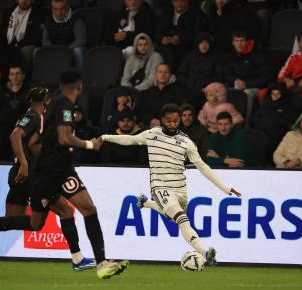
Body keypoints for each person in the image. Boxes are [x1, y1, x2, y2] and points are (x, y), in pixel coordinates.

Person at [0, 88, 94, 272]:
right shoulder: (34, 116)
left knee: (10, 220)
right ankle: (78, 259)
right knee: (64, 212)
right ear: (44, 101)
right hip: (32, 177)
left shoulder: (33, 117)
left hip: (19, 177)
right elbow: (14, 135)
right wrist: (26, 163)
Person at [94, 103, 241, 266]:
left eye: (176, 120)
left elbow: (202, 166)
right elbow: (130, 140)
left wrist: (225, 187)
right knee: (182, 219)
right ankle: (205, 252)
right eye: (169, 120)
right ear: (162, 120)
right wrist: (105, 137)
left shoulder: (186, 142)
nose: (172, 123)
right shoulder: (152, 134)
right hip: (160, 187)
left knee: (176, 218)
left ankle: (146, 203)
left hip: (180, 189)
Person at [19, 70, 129, 278]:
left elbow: (33, 142)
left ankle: (101, 263)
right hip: (49, 174)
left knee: (88, 208)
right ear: (79, 86)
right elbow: (64, 138)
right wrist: (90, 144)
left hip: (59, 169)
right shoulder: (65, 106)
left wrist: (48, 157)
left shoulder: (53, 106)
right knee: (36, 223)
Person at [224, 29, 271, 117]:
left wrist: (247, 84)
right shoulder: (230, 55)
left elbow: (266, 76)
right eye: (236, 41)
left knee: (246, 93)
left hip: (255, 88)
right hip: (237, 85)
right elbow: (227, 73)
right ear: (233, 42)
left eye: (242, 40)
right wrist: (236, 80)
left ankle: (245, 123)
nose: (239, 44)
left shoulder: (257, 55)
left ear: (247, 42)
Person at [0, 65, 29, 159]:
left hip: (21, 126)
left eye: (18, 74)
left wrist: (22, 123)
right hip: (4, 125)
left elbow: (33, 113)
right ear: (9, 77)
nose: (15, 77)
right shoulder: (3, 93)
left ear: (23, 76)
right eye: (12, 74)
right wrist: (0, 120)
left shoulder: (29, 93)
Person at [177, 32, 224, 108]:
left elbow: (219, 76)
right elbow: (180, 73)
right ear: (197, 44)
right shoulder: (191, 55)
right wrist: (188, 83)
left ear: (210, 44)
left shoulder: (216, 57)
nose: (204, 46)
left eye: (206, 43)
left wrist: (208, 85)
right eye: (201, 43)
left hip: (208, 90)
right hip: (191, 89)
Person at [154, 0, 207, 66]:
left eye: (182, 1)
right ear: (172, 2)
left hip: (186, 49)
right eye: (176, 1)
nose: (179, 4)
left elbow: (199, 35)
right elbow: (157, 31)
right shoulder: (167, 11)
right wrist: (161, 39)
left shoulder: (197, 13)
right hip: (167, 49)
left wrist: (180, 39)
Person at [42, 0, 86, 69]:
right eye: (56, 9)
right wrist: (54, 51)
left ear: (67, 8)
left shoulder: (76, 19)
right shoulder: (48, 20)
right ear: (52, 9)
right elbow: (45, 41)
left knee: (78, 51)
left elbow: (81, 41)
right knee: (37, 51)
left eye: (62, 9)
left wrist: (65, 51)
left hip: (71, 49)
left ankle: (82, 76)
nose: (59, 12)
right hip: (55, 50)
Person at [5, 0, 43, 71]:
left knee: (25, 51)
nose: (24, 1)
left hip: (25, 44)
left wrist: (19, 44)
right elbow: (2, 32)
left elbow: (36, 37)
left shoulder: (37, 13)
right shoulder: (9, 12)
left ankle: (21, 76)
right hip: (8, 42)